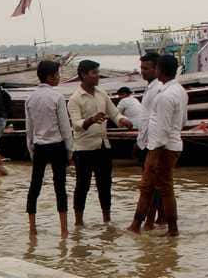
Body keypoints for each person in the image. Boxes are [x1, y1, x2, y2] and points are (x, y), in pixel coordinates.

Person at [68, 60, 133, 226]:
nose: (97, 76)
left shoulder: (101, 94)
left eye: (97, 72)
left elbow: (114, 113)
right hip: (84, 149)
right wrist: (91, 120)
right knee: (82, 185)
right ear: (83, 75)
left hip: (103, 146)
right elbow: (76, 124)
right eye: (94, 73)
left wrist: (123, 120)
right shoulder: (75, 99)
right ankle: (78, 222)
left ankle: (107, 220)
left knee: (105, 185)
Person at [129, 54, 185, 237]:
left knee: (158, 188)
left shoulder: (165, 96)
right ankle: (140, 225)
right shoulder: (179, 91)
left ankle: (171, 229)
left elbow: (161, 131)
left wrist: (152, 157)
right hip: (171, 145)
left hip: (162, 148)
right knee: (152, 188)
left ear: (159, 69)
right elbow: (182, 120)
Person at [23, 59, 72, 238]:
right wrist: (70, 150)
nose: (59, 77)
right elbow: (65, 127)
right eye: (58, 74)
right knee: (60, 187)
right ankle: (64, 229)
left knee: (34, 186)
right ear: (50, 77)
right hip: (57, 145)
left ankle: (32, 227)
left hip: (39, 146)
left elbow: (30, 129)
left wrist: (31, 149)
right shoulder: (57, 97)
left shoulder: (30, 98)